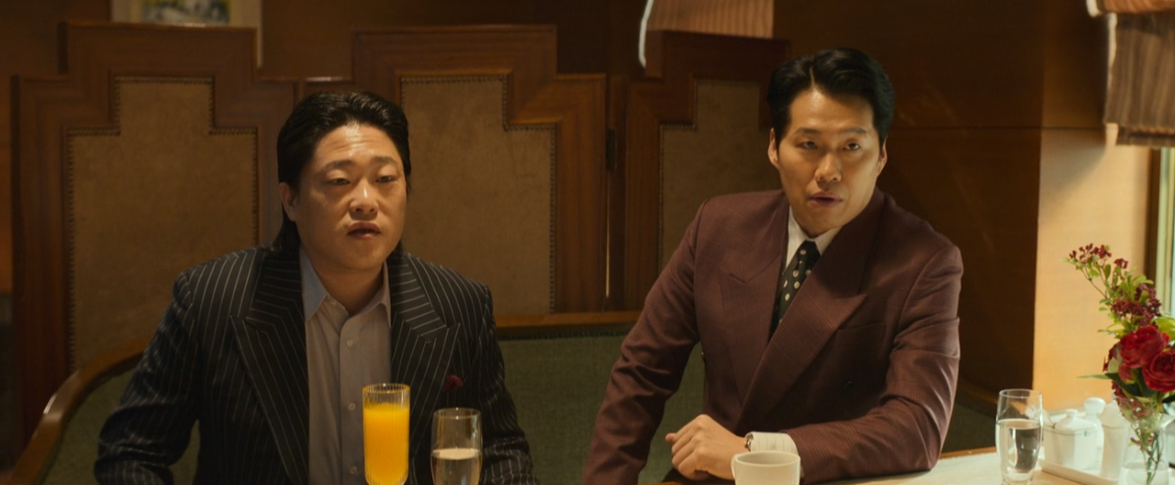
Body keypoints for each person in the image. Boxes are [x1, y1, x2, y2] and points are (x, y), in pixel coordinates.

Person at [95, 91, 538, 485]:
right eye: (340, 182)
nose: (366, 201)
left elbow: (502, 452)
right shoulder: (212, 299)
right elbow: (131, 453)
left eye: (386, 179)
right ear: (291, 200)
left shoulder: (458, 304)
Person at [583, 48, 963, 484]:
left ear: (881, 156)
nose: (829, 171)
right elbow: (641, 373)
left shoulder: (925, 261)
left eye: (852, 147)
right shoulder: (718, 226)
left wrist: (756, 452)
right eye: (809, 145)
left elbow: (916, 428)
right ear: (774, 148)